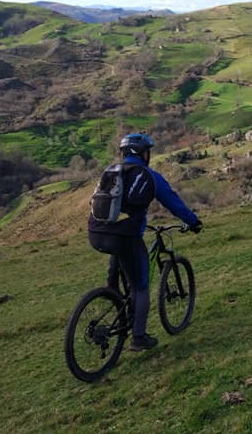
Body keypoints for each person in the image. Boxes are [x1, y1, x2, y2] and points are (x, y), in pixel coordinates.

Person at [88, 133, 202, 351]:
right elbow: (173, 203)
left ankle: (114, 297)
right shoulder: (149, 176)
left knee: (120, 264)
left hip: (96, 233)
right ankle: (138, 338)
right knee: (140, 286)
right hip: (124, 237)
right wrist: (193, 222)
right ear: (142, 154)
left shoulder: (111, 172)